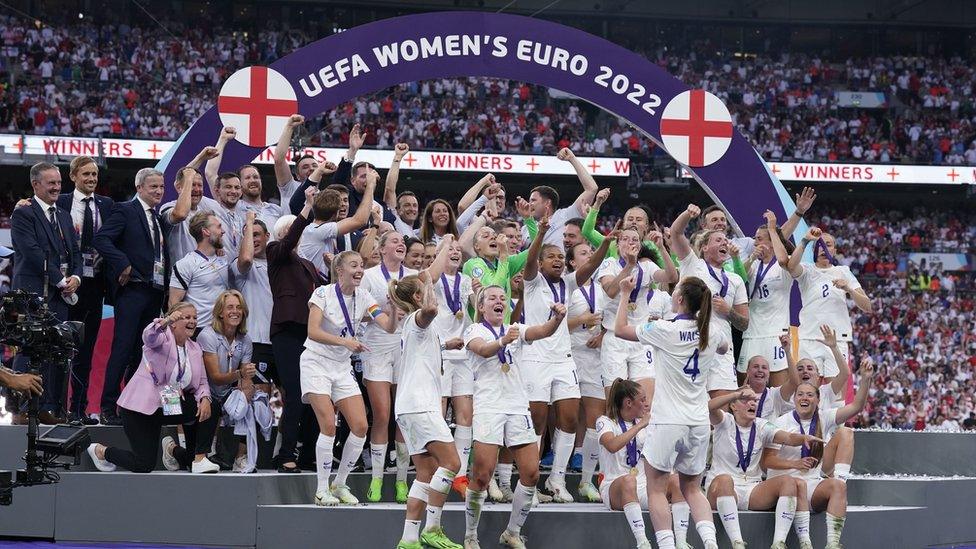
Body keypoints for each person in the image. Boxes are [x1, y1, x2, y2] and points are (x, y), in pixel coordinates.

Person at [612, 276, 728, 549]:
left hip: (667, 420)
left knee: (656, 487)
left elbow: (619, 330)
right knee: (692, 489)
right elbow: (723, 347)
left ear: (678, 300)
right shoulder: (712, 331)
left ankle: (666, 546)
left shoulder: (663, 329)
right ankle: (710, 544)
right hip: (698, 422)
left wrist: (625, 294)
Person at [462, 285, 566, 549]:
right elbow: (483, 350)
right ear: (482, 306)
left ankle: (512, 531)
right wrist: (502, 341)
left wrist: (557, 319)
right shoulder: (475, 330)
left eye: (502, 298)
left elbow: (542, 331)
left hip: (518, 407)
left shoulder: (515, 329)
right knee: (483, 476)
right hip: (489, 407)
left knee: (531, 473)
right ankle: (471, 535)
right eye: (492, 298)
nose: (499, 301)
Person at [520, 215, 612, 501]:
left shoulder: (570, 284)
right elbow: (530, 260)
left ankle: (556, 480)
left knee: (570, 419)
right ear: (541, 262)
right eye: (552, 257)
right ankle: (529, 483)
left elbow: (592, 265)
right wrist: (540, 236)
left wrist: (606, 244)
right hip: (535, 358)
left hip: (563, 359)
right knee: (536, 421)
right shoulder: (532, 282)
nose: (558, 260)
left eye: (561, 256)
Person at [362, 231, 451, 503]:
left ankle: (401, 479)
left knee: (401, 418)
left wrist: (446, 245)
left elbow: (430, 275)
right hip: (377, 345)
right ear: (381, 248)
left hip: (407, 348)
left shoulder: (411, 274)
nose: (401, 244)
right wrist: (385, 314)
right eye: (394, 241)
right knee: (382, 414)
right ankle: (377, 477)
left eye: (403, 241)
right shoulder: (369, 275)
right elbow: (364, 311)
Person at [303, 250, 397, 505]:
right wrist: (345, 342)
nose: (360, 270)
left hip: (341, 366)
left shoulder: (365, 297)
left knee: (360, 426)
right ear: (339, 269)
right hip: (316, 363)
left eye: (362, 265)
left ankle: (340, 483)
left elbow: (388, 325)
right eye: (354, 265)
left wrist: (395, 307)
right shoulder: (322, 293)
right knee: (329, 425)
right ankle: (321, 489)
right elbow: (312, 331)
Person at [86, 303, 213, 473]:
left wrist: (205, 398)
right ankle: (101, 451)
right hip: (140, 410)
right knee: (144, 464)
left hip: (168, 405)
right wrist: (165, 321)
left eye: (195, 318)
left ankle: (193, 457)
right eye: (186, 317)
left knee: (208, 406)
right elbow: (149, 336)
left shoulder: (195, 348)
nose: (192, 321)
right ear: (174, 321)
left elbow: (202, 382)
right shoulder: (162, 339)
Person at [763, 360, 875, 549]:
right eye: (800, 395)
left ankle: (832, 543)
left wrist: (865, 380)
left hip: (812, 486)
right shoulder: (780, 423)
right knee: (796, 483)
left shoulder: (824, 417)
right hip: (786, 487)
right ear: (794, 399)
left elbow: (856, 407)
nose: (804, 398)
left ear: (817, 400)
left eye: (809, 395)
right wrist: (795, 464)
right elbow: (766, 462)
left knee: (845, 434)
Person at [94, 168, 176, 426]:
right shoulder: (125, 210)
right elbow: (102, 239)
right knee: (122, 348)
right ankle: (107, 406)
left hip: (154, 292)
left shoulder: (158, 218)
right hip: (132, 291)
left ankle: (132, 406)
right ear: (139, 188)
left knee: (144, 353)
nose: (158, 192)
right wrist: (123, 264)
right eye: (153, 187)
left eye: (161, 187)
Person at [392, 275, 464, 549]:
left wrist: (446, 345)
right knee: (452, 463)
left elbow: (422, 350)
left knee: (426, 472)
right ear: (418, 298)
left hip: (410, 407)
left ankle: (409, 538)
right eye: (425, 293)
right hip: (420, 405)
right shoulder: (418, 318)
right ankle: (432, 529)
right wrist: (430, 283)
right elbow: (432, 310)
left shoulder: (416, 328)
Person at [705, 388, 822, 549]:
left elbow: (787, 437)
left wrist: (803, 438)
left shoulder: (761, 426)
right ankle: (737, 543)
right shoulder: (724, 421)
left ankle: (778, 543)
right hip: (722, 489)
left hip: (752, 489)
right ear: (733, 406)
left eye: (754, 400)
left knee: (789, 482)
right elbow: (709, 407)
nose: (752, 403)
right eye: (745, 399)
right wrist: (735, 394)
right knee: (725, 480)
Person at [10, 162, 82, 424]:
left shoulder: (63, 215)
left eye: (59, 183)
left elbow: (75, 252)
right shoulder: (23, 214)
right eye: (50, 182)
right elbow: (31, 253)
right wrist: (61, 280)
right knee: (28, 348)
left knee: (56, 350)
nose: (56, 187)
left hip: (60, 295)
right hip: (33, 294)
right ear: (35, 184)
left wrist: (75, 277)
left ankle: (47, 408)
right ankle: (19, 409)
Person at [267, 186, 325, 473]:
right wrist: (307, 207)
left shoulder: (308, 265)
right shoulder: (275, 252)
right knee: (295, 390)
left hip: (311, 333)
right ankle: (285, 453)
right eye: (293, 230)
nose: (299, 232)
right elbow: (290, 238)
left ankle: (308, 453)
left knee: (314, 392)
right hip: (288, 330)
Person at [57, 155, 115, 424]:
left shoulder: (107, 204)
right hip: (65, 285)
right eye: (86, 175)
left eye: (94, 175)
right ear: (73, 177)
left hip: (95, 287)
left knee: (87, 349)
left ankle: (78, 409)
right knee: (60, 349)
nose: (91, 179)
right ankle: (56, 407)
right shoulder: (62, 202)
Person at [670, 204, 748, 396]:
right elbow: (676, 232)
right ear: (704, 247)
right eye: (718, 240)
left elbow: (744, 324)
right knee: (689, 404)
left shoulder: (735, 280)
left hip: (721, 349)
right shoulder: (692, 264)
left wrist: (728, 311)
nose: (724, 243)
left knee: (721, 409)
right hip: (689, 344)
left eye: (725, 240)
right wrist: (687, 214)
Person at [781, 225, 873, 382]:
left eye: (828, 244)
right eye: (819, 244)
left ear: (835, 251)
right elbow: (790, 267)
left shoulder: (843, 271)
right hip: (809, 338)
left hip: (837, 340)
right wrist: (805, 240)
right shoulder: (807, 270)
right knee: (808, 390)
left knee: (835, 397)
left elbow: (867, 307)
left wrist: (848, 288)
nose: (823, 247)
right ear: (813, 251)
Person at [598, 227, 677, 401]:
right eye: (625, 239)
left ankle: (642, 428)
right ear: (618, 245)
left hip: (640, 337)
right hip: (615, 339)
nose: (630, 242)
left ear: (640, 246)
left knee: (645, 400)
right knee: (615, 402)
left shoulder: (647, 266)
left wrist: (662, 248)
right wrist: (630, 265)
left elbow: (671, 277)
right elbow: (610, 291)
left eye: (635, 240)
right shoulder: (609, 264)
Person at [429, 238, 477, 496]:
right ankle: (441, 468)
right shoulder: (433, 280)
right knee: (439, 412)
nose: (455, 253)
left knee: (466, 416)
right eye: (449, 250)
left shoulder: (466, 281)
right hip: (442, 352)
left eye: (459, 251)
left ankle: (460, 476)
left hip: (463, 355)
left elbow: (476, 307)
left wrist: (479, 294)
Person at [192, 290, 255, 473]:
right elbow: (216, 378)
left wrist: (246, 394)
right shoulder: (207, 335)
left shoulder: (246, 339)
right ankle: (202, 454)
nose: (235, 311)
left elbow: (245, 378)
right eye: (230, 307)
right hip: (205, 390)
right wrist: (240, 374)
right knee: (211, 403)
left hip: (227, 391)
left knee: (253, 405)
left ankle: (240, 458)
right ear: (220, 312)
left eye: (239, 307)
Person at [566, 241, 606, 502]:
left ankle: (586, 481)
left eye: (592, 252)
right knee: (566, 419)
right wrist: (581, 320)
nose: (590, 255)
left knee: (595, 418)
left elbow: (614, 320)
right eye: (583, 253)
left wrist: (603, 334)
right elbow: (553, 324)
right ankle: (556, 477)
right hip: (569, 355)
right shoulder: (566, 286)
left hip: (596, 358)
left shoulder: (604, 287)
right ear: (572, 263)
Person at [737, 211, 795, 386]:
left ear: (771, 242)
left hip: (775, 334)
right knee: (744, 387)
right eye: (755, 239)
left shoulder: (784, 264)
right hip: (752, 334)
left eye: (759, 239)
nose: (755, 242)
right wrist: (752, 256)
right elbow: (739, 276)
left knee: (778, 389)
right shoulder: (752, 264)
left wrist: (772, 228)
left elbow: (784, 258)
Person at [596, 379, 653, 548]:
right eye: (642, 400)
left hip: (642, 486)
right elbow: (612, 445)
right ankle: (642, 542)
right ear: (629, 403)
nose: (646, 403)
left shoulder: (647, 422)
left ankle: (678, 542)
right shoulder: (605, 422)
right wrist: (641, 425)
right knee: (629, 481)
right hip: (613, 486)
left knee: (675, 481)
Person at [297, 161, 371, 280]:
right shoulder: (318, 231)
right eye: (340, 202)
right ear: (336, 210)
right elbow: (360, 220)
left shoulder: (317, 230)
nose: (343, 205)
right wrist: (370, 186)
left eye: (346, 201)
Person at [232, 213, 277, 393]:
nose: (253, 239)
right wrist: (249, 223)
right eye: (249, 235)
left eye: (256, 234)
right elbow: (246, 259)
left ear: (267, 236)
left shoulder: (278, 265)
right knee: (258, 394)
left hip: (280, 340)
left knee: (291, 397)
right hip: (256, 341)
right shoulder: (240, 266)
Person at [520, 148, 598, 250]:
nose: (529, 204)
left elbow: (591, 189)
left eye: (533, 200)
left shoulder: (566, 215)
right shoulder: (524, 229)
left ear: (547, 203)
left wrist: (572, 159)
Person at [168, 211, 231, 330]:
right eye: (218, 227)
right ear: (206, 231)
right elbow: (173, 303)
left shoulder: (224, 257)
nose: (223, 231)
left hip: (223, 329)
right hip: (199, 330)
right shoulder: (186, 264)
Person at [274, 115, 319, 210]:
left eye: (314, 165)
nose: (311, 168)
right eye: (305, 167)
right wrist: (289, 127)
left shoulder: (325, 195)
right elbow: (279, 160)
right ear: (297, 176)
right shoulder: (290, 187)